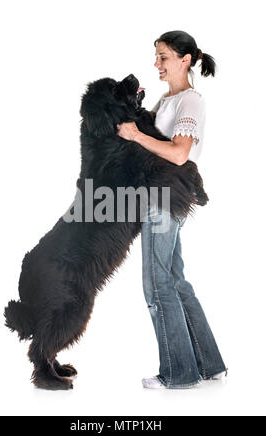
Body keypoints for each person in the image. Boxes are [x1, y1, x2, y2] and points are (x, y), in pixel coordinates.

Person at [117, 30, 227, 389]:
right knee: (175, 280)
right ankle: (210, 365)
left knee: (157, 282)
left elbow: (179, 153)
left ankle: (179, 372)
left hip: (164, 197)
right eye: (157, 57)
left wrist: (136, 136)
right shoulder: (168, 101)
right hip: (160, 194)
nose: (157, 64)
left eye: (163, 57)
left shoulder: (190, 102)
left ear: (186, 60)